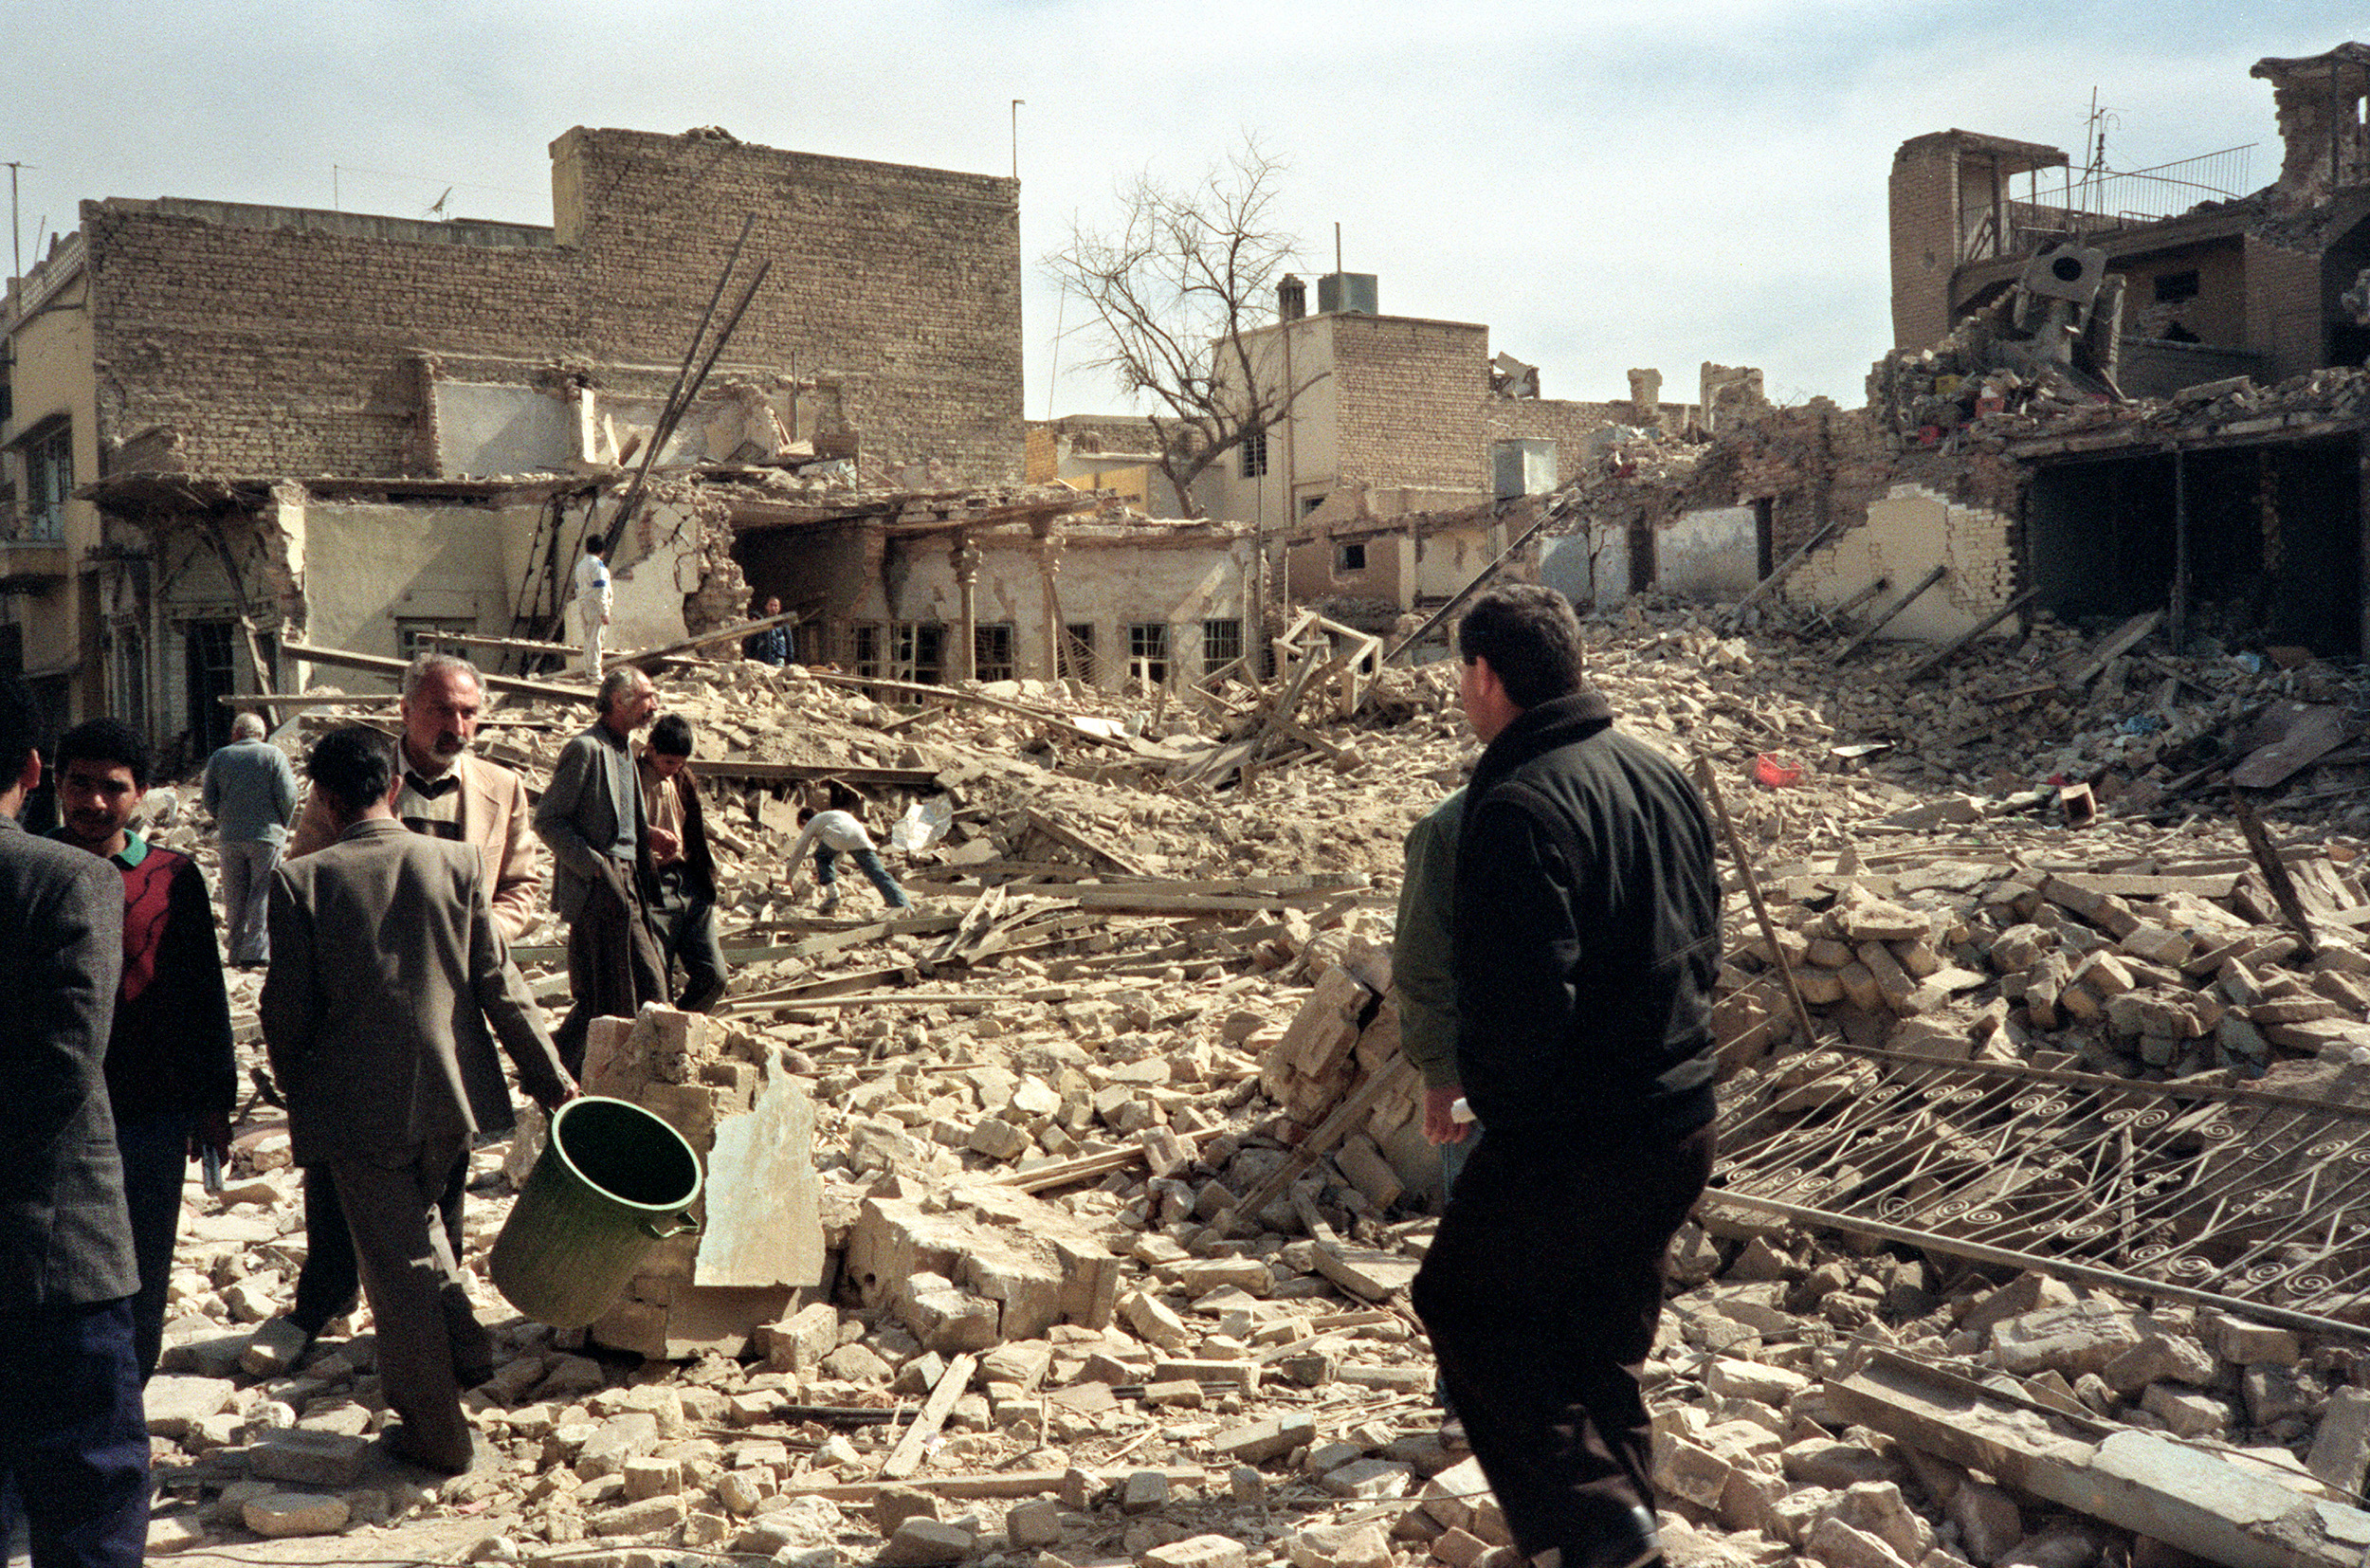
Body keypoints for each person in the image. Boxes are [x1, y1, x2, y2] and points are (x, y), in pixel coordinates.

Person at [1409, 585, 1720, 1568]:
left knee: (1463, 1303)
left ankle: (1598, 1526)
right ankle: (1629, 1536)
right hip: (1678, 1116)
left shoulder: (1515, 804)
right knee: (1600, 1347)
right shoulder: (1658, 773)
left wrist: (1488, 1101)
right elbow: (1704, 941)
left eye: (1462, 674)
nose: (1460, 692)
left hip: (1578, 1134)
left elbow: (1523, 1003)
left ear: (1486, 675)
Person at [262, 725, 574, 1475]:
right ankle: (467, 1348)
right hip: (450, 1099)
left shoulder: (302, 881)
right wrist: (552, 1080)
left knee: (394, 1274)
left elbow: (286, 1011)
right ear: (392, 787)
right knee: (425, 1223)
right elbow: (502, 987)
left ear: (326, 801)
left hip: (358, 1110)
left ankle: (437, 1435)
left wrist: (298, 1091)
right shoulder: (459, 863)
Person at [246, 651, 546, 1378]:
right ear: (407, 709)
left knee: (442, 1174)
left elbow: (524, 883)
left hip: (451, 1011)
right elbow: (311, 877)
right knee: (337, 1171)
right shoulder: (351, 776)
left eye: (470, 712)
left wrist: (479, 931)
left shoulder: (502, 787)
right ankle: (325, 1298)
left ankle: (431, 1325)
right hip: (356, 1008)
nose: (458, 725)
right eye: (443, 710)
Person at [0, 678, 151, 1568]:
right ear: (33, 770)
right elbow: (64, 1063)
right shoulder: (71, 880)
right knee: (88, 1503)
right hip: (55, 1255)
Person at [53, 719, 236, 1382]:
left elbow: (201, 996)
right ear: (54, 782)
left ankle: (130, 1388)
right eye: (79, 784)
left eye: (113, 788)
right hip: (50, 1113)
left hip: (148, 1111)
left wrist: (214, 1103)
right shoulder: (33, 867)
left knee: (142, 1255)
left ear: (142, 795)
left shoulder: (172, 877)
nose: (94, 802)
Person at [535, 667, 667, 1077]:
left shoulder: (626, 750)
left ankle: (554, 1071)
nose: (654, 704)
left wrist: (647, 836)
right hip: (599, 884)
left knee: (648, 986)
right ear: (619, 702)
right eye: (646, 696)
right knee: (605, 995)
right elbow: (549, 821)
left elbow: (617, 818)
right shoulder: (586, 749)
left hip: (629, 880)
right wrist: (593, 867)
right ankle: (551, 1074)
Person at [1394, 783, 1473, 1443]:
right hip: (1485, 1079)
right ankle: (1465, 1397)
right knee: (1478, 1232)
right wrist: (1441, 1077)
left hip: (1567, 1075)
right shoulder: (1448, 829)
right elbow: (1421, 967)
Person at [638, 714, 729, 1013]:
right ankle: (662, 1042)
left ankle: (681, 1025)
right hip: (652, 886)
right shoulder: (630, 776)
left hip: (689, 882)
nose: (674, 770)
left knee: (714, 976)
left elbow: (695, 829)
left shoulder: (682, 777)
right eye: (668, 763)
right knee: (655, 986)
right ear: (650, 750)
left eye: (680, 764)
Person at [200, 711, 299, 967]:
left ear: (236, 733)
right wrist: (281, 825)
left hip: (231, 836)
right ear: (262, 734)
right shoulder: (273, 755)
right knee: (261, 892)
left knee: (234, 894)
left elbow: (209, 799)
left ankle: (234, 951)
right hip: (266, 837)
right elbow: (288, 796)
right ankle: (256, 951)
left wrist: (223, 818)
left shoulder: (219, 757)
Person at [784, 797, 909, 914]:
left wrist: (789, 878)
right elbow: (840, 849)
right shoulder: (834, 815)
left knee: (821, 856)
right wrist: (826, 872)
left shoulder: (812, 822)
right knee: (877, 873)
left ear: (804, 821)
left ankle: (834, 897)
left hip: (838, 835)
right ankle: (903, 907)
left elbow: (800, 850)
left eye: (802, 828)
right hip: (860, 836)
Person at [574, 536, 612, 678]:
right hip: (594, 606)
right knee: (596, 639)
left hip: (583, 605)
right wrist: (605, 611)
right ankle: (595, 672)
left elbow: (578, 588)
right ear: (602, 551)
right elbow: (600, 590)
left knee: (588, 638)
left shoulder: (580, 565)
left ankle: (589, 670)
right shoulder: (598, 566)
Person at [743, 596, 791, 666]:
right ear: (766, 607)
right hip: (763, 658)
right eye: (771, 605)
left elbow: (789, 641)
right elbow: (753, 641)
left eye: (776, 605)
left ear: (779, 608)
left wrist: (790, 660)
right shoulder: (762, 623)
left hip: (778, 658)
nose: (773, 608)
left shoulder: (783, 624)